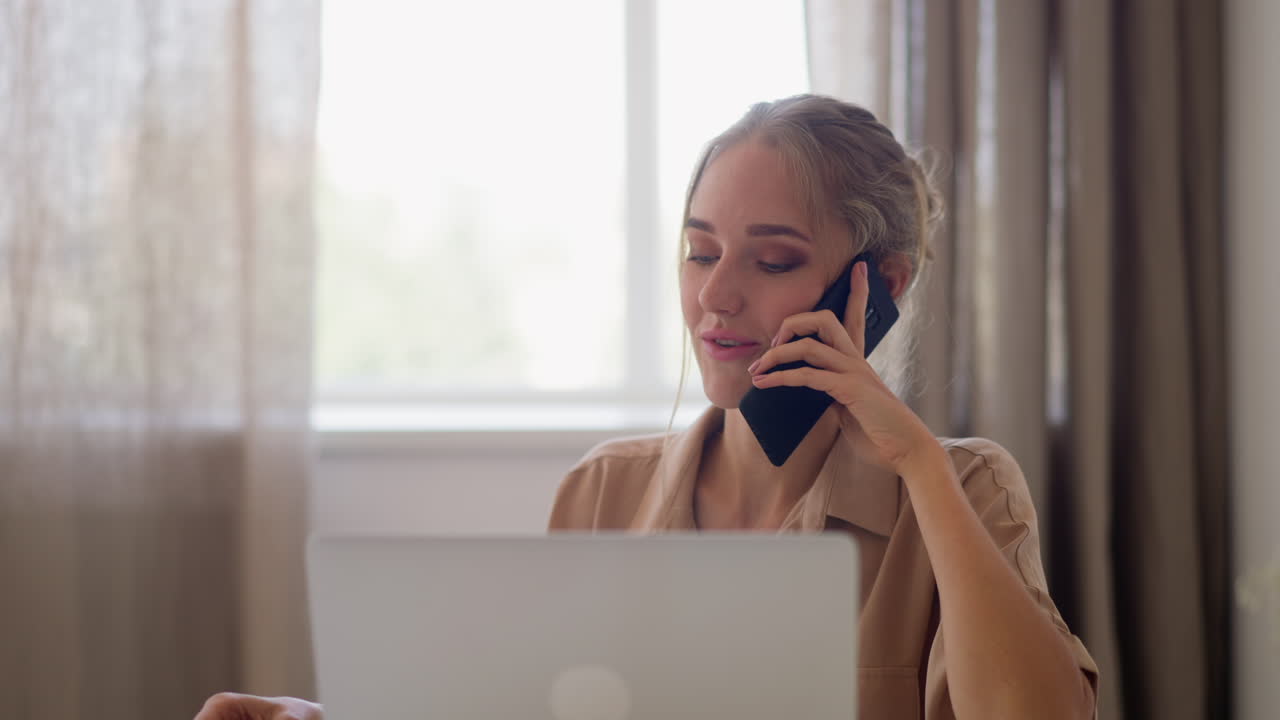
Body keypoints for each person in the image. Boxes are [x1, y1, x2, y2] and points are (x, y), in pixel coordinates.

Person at [195, 94, 1098, 720]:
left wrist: (917, 464)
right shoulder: (602, 493)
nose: (716, 298)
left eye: (771, 260)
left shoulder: (966, 489)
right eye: (702, 253)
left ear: (880, 285)